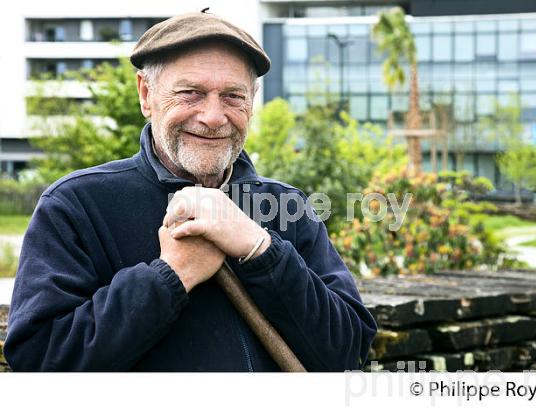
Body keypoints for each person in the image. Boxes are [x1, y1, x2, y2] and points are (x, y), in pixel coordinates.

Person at [4, 11, 376, 371]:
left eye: (233, 96)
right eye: (190, 93)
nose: (213, 117)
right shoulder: (76, 205)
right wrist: (170, 276)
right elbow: (40, 359)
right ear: (146, 94)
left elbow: (348, 353)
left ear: (253, 99)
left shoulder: (286, 206)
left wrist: (261, 251)